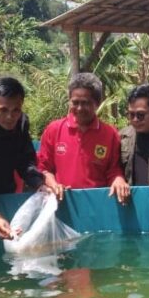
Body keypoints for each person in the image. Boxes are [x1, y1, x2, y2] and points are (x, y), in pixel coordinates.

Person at [0, 77, 63, 239]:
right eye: (3, 110)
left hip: (6, 191)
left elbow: (25, 162)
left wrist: (39, 184)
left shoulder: (21, 122)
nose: (10, 117)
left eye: (16, 110)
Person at [37, 72, 130, 203]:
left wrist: (118, 180)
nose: (79, 108)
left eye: (85, 103)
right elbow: (43, 168)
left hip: (98, 206)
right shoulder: (54, 129)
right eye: (75, 102)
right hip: (62, 205)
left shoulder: (110, 134)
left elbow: (113, 170)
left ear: (97, 103)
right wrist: (53, 185)